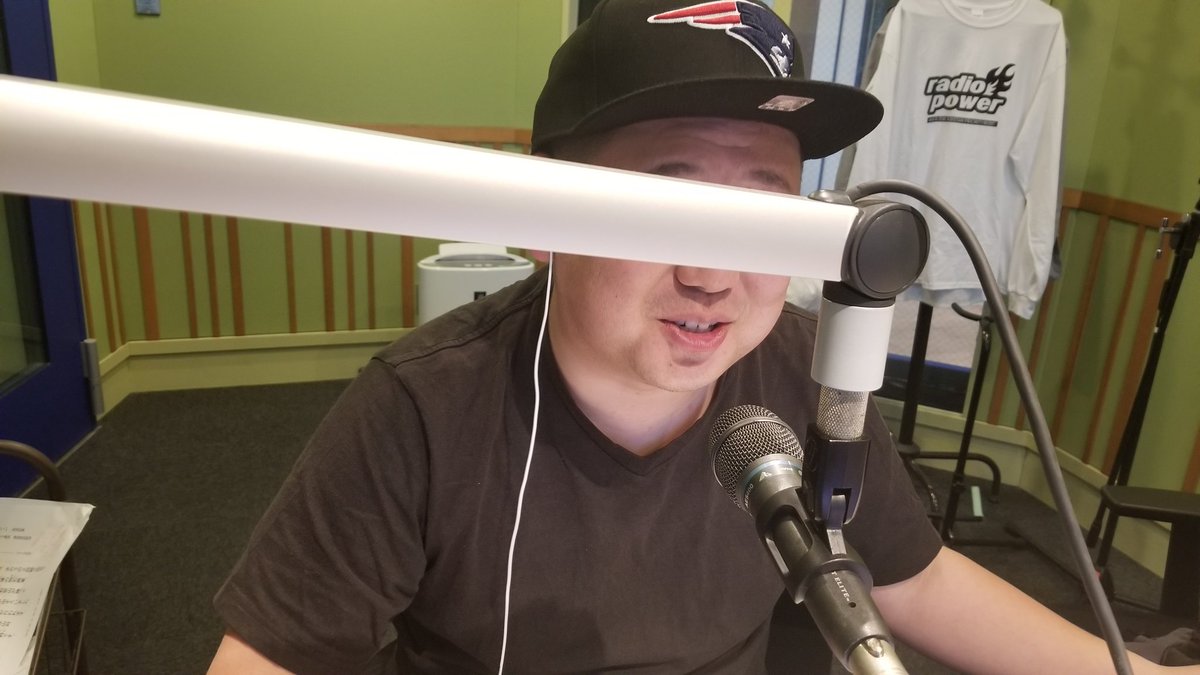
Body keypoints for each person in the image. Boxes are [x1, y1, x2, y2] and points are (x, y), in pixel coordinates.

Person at [207, 1, 1197, 673]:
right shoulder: (423, 407)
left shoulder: (808, 371)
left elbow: (914, 577)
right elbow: (272, 653)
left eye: (759, 213)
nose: (715, 276)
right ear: (540, 216)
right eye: (669, 207)